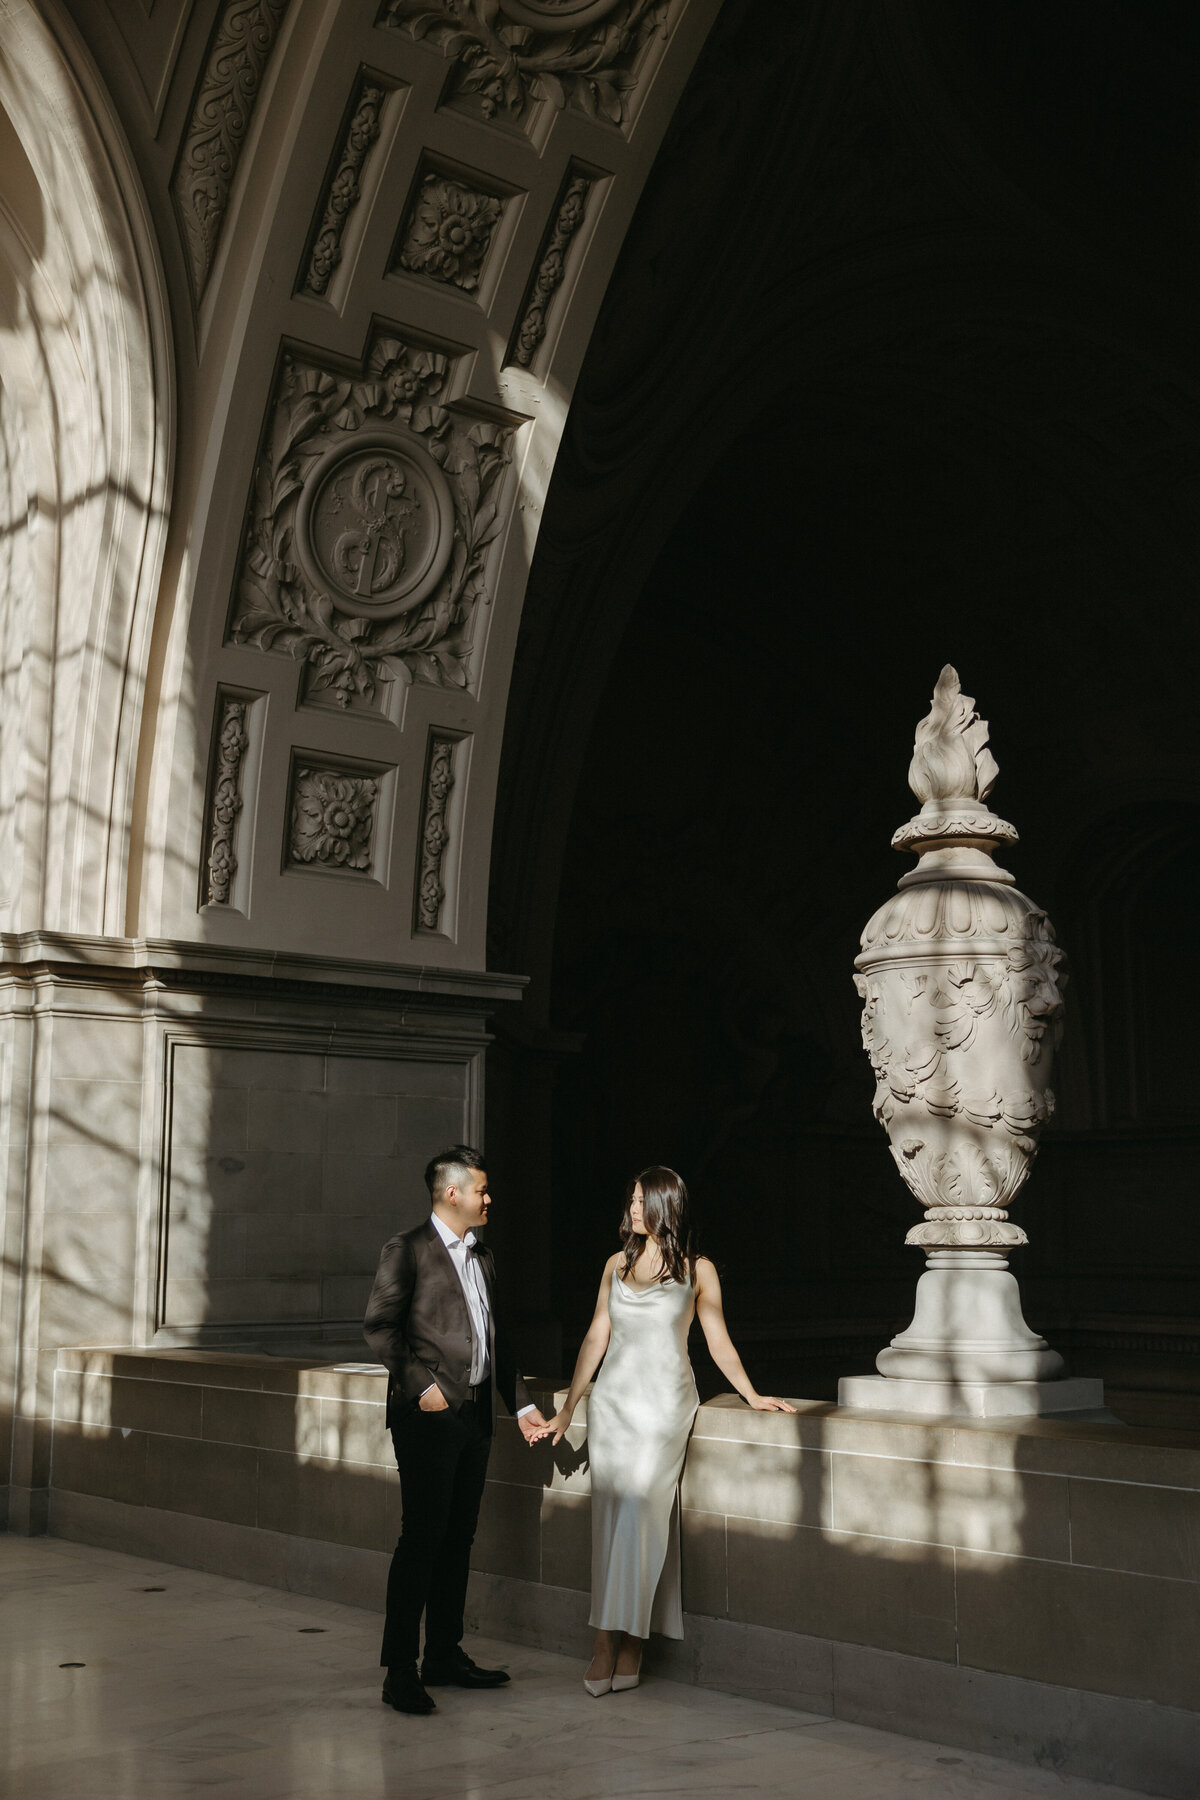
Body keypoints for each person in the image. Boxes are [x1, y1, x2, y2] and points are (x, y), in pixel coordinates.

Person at [531, 1165, 795, 1695]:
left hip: (664, 1411)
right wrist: (567, 1411)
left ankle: (628, 1641)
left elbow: (717, 1340)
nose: (631, 1209)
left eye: (640, 1201)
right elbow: (593, 1339)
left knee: (642, 1518)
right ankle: (609, 1640)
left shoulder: (700, 1270)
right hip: (614, 1408)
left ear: (665, 1205)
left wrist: (751, 1394)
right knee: (609, 1522)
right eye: (629, 1199)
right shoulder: (614, 1265)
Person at [363, 1145, 547, 1716]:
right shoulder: (408, 1250)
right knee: (421, 1539)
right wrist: (424, 1387)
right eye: (482, 1191)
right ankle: (400, 1671)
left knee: (458, 1538)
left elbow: (498, 1338)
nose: (489, 1199)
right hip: (428, 1418)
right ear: (452, 1193)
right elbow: (380, 1329)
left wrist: (519, 1407)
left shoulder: (484, 1257)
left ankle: (443, 1653)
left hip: (475, 1419)